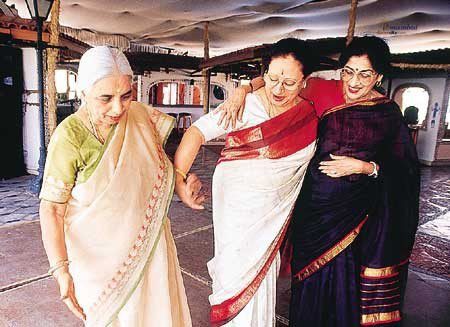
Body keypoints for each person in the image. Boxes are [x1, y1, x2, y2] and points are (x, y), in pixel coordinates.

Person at [221, 36, 420, 326]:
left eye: (364, 74)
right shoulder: (319, 88)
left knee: (342, 290)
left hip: (354, 223)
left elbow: (406, 171)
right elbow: (281, 76)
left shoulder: (387, 114)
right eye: (348, 72)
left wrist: (366, 167)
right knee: (308, 290)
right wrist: (242, 89)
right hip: (311, 216)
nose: (353, 81)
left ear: (378, 76)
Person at [39, 46, 195, 327]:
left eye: (126, 96)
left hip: (150, 245)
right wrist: (61, 270)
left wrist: (181, 180)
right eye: (105, 98)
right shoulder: (69, 137)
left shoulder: (140, 116)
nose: (118, 108)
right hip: (98, 260)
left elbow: (157, 164)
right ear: (83, 92)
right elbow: (51, 209)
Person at [174, 38, 319, 326]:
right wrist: (179, 180)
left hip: (274, 215)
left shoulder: (308, 115)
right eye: (273, 78)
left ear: (305, 82)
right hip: (237, 211)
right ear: (264, 75)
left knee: (263, 276)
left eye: (289, 83)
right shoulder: (246, 104)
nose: (278, 89)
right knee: (234, 272)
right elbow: (197, 133)